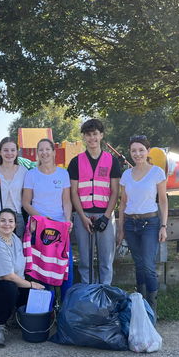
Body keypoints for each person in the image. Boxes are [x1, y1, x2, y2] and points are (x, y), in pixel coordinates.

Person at [117, 135, 168, 315]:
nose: (137, 154)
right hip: (131, 224)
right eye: (133, 150)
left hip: (150, 223)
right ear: (130, 153)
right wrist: (121, 228)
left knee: (147, 264)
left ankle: (152, 306)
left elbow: (163, 201)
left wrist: (163, 226)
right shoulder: (126, 175)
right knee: (138, 264)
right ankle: (141, 306)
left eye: (141, 150)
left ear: (147, 151)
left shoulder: (156, 172)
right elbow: (122, 203)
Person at [0, 208, 44, 347]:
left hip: (12, 285)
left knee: (32, 288)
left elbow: (26, 242)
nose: (7, 224)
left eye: (10, 221)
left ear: (15, 224)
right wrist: (31, 284)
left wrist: (30, 232)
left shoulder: (15, 239)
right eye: (3, 220)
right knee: (12, 287)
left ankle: (18, 318)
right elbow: (8, 276)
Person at [68, 119, 121, 285]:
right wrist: (82, 217)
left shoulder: (112, 160)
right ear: (84, 137)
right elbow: (74, 192)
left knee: (106, 261)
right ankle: (88, 294)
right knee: (85, 261)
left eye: (95, 134)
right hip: (83, 215)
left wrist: (106, 217)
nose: (92, 138)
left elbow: (115, 192)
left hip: (105, 214)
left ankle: (104, 294)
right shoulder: (76, 162)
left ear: (101, 135)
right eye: (88, 135)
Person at [22, 138, 73, 296]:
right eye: (41, 150)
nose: (44, 153)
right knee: (41, 268)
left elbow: (66, 202)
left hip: (59, 227)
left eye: (47, 149)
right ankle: (45, 309)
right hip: (38, 227)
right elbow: (26, 202)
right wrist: (44, 221)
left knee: (65, 265)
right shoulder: (31, 174)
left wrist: (67, 220)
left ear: (53, 152)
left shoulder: (63, 174)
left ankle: (66, 307)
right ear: (37, 153)